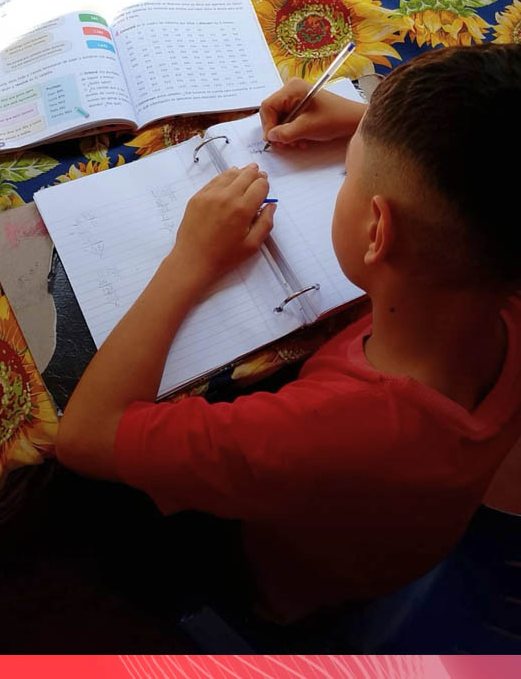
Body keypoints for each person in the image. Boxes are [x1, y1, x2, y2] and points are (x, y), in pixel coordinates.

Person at [56, 43, 521, 623]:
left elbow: (85, 438)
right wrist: (366, 125)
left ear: (377, 231)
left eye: (348, 173)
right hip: (391, 538)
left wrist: (190, 260)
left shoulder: (319, 431)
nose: (344, 173)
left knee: (82, 515)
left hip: (278, 584)